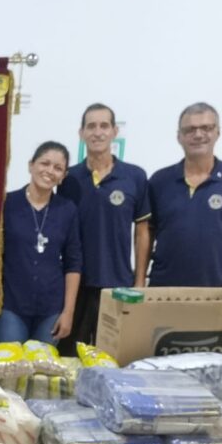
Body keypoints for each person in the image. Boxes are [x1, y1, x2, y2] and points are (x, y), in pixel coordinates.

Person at [57, 103, 151, 351]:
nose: (97, 132)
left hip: (117, 285)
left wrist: (139, 282)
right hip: (76, 287)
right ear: (81, 133)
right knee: (69, 357)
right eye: (91, 126)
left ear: (114, 131)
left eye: (104, 126)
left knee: (112, 358)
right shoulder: (68, 179)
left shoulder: (135, 176)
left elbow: (142, 231)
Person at [146, 102, 222, 288]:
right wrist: (139, 282)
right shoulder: (159, 181)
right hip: (163, 290)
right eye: (190, 129)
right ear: (179, 137)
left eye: (206, 128)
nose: (198, 135)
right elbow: (146, 233)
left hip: (215, 292)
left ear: (218, 132)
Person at [0, 141, 82, 344]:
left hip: (51, 309)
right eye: (45, 163)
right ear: (31, 165)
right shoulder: (7, 204)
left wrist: (68, 312)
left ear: (63, 176)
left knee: (43, 365)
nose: (50, 171)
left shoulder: (67, 210)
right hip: (11, 306)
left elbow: (73, 263)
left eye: (58, 168)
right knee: (9, 363)